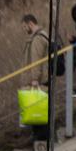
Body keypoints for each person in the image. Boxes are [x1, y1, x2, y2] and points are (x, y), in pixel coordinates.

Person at [20, 14, 51, 143]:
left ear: (30, 24)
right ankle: (39, 134)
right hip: (42, 77)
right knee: (39, 106)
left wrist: (34, 78)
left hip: (38, 79)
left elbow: (36, 60)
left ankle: (41, 136)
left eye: (24, 26)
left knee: (38, 107)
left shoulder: (37, 39)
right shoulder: (43, 35)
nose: (24, 29)